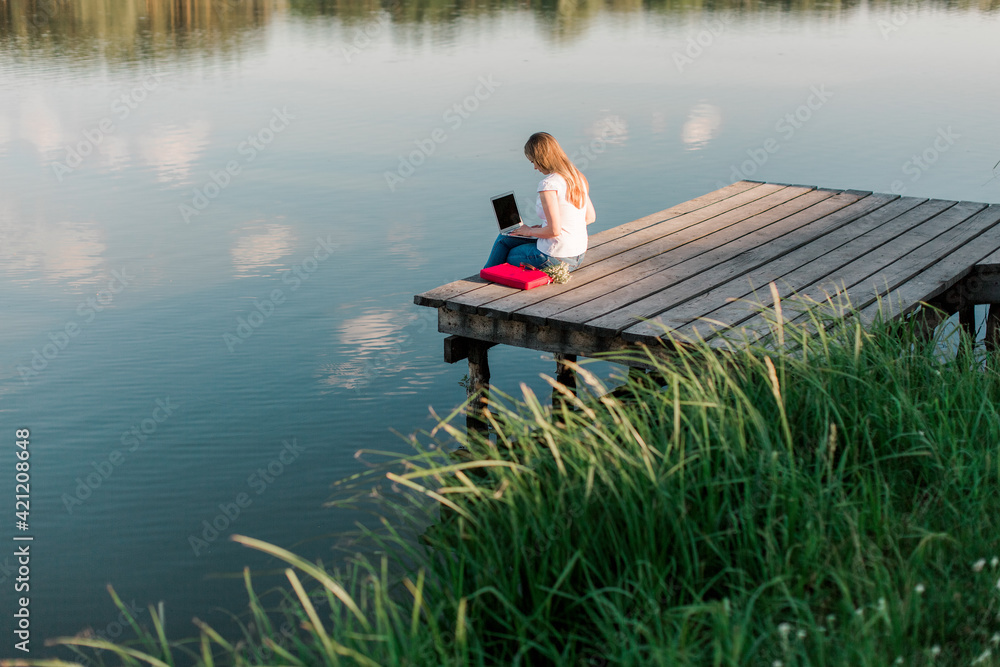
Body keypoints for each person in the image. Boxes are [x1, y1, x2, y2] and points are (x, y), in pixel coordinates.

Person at [484, 132, 596, 272]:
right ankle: (488, 273)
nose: (535, 167)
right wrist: (541, 228)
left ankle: (485, 277)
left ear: (542, 158)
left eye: (533, 161)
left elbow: (554, 231)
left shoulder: (548, 185)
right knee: (505, 238)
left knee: (507, 254)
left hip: (556, 257)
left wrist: (529, 231)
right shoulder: (577, 177)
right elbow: (590, 217)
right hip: (578, 255)